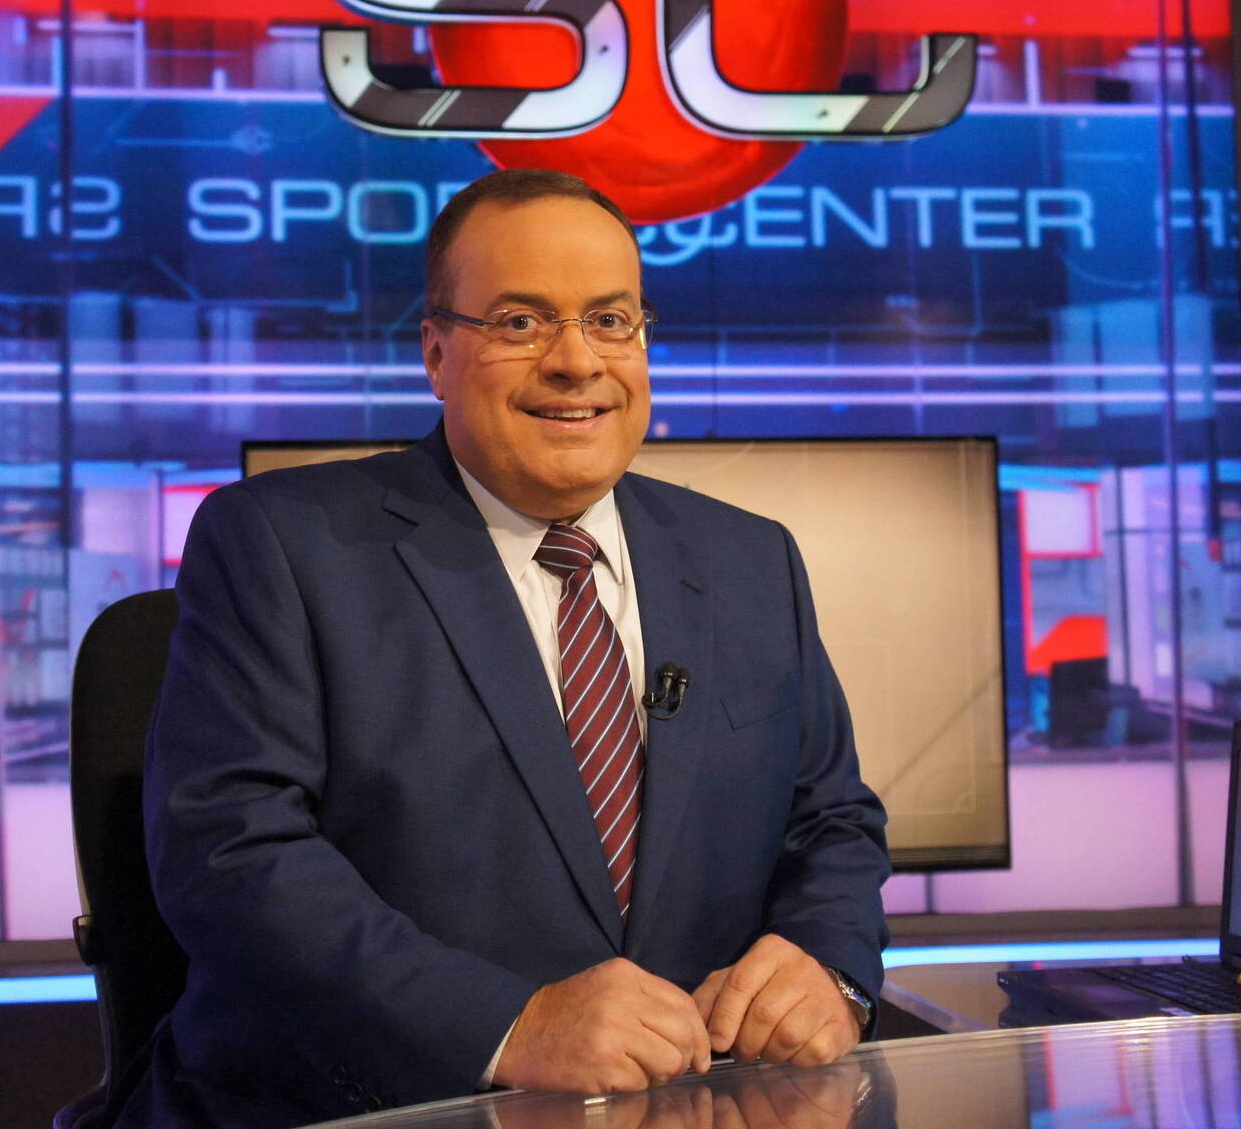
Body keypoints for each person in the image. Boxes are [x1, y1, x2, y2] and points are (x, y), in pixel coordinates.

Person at [121, 169, 890, 1129]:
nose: (577, 362)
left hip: (694, 1106)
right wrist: (505, 1026)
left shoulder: (750, 559)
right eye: (521, 322)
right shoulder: (280, 544)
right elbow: (231, 853)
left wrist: (828, 967)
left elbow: (832, 821)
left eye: (610, 320)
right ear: (435, 352)